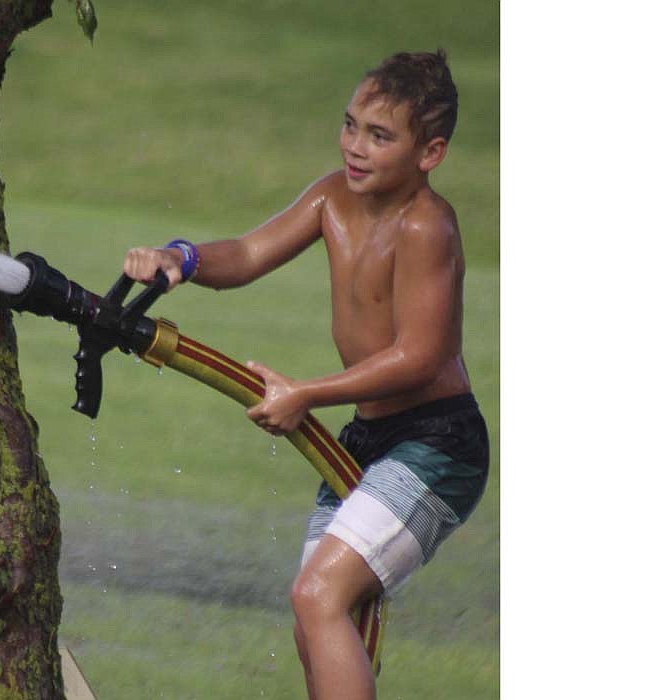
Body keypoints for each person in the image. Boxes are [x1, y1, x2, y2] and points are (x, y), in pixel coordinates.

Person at [121, 50, 489, 700]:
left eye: (379, 136)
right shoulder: (331, 197)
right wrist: (182, 257)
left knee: (317, 594)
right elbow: (252, 251)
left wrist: (307, 394)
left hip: (437, 445)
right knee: (317, 618)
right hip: (368, 441)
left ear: (429, 153)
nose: (355, 146)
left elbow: (420, 357)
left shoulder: (426, 225)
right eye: (350, 126)